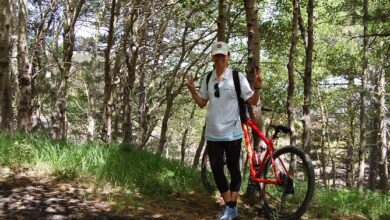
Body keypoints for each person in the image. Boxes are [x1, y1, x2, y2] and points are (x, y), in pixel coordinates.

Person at [186, 41, 262, 220]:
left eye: (223, 55)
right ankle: (230, 206)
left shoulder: (237, 77)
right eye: (216, 55)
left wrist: (258, 87)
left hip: (232, 133)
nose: (219, 58)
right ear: (212, 58)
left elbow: (252, 101)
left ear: (228, 57)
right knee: (217, 170)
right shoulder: (208, 78)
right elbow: (202, 103)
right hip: (212, 133)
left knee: (235, 170)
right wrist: (192, 90)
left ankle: (230, 207)